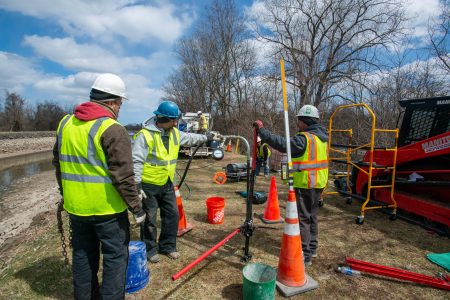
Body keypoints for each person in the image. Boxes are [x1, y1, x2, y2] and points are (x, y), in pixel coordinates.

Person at [52, 73, 145, 299]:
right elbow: (123, 175)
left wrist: (66, 194)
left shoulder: (65, 124)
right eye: (120, 104)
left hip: (77, 209)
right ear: (112, 102)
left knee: (83, 256)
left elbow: (58, 164)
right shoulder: (113, 129)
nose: (120, 109)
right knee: (115, 259)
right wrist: (137, 208)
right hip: (108, 211)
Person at [133, 101, 213, 263]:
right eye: (173, 120)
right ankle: (150, 249)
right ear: (161, 118)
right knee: (150, 219)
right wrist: (137, 184)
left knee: (172, 215)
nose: (176, 123)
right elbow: (136, 160)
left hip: (167, 183)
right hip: (149, 185)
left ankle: (168, 246)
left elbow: (190, 138)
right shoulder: (145, 135)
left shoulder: (174, 133)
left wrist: (206, 137)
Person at [253, 104, 328, 267]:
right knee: (312, 216)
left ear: (305, 122)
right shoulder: (321, 138)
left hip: (305, 183)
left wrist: (262, 132)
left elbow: (282, 143)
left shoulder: (304, 138)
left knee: (302, 219)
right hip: (319, 183)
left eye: (299, 121)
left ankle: (305, 254)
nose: (298, 124)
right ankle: (313, 249)